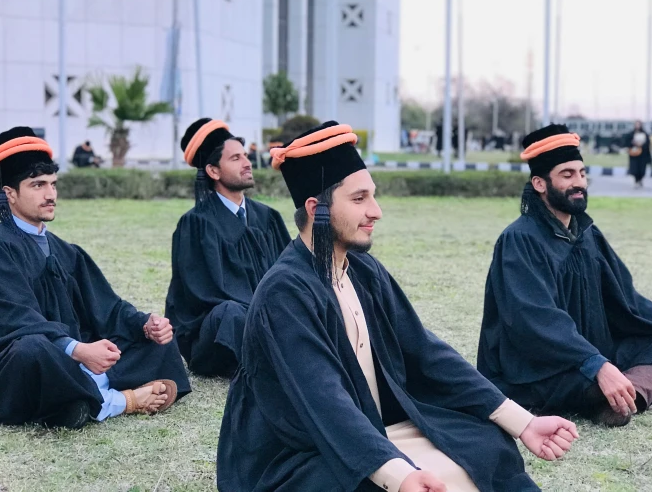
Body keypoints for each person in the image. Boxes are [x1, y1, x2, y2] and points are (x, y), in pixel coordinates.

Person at [217, 121, 578, 492]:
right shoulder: (285, 292)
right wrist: (399, 475)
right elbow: (325, 401)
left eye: (372, 196)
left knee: (486, 444)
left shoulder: (362, 268)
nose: (376, 211)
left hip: (372, 429)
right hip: (301, 452)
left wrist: (522, 422)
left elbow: (426, 352)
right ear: (316, 208)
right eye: (359, 199)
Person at [0, 127, 190, 429]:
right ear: (10, 194)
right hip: (11, 367)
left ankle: (80, 397)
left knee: (154, 343)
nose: (50, 194)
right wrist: (77, 350)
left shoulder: (66, 252)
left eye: (53, 184)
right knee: (33, 349)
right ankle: (120, 400)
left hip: (70, 357)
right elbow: (16, 324)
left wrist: (143, 323)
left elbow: (108, 307)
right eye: (37, 185)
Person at [479, 124, 652, 428]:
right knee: (587, 384)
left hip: (595, 352)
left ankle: (627, 392)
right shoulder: (519, 240)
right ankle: (629, 391)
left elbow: (627, 300)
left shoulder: (587, 233)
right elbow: (532, 318)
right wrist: (594, 364)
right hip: (540, 365)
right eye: (567, 175)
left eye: (582, 174)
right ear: (541, 184)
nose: (578, 182)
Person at [164, 118, 290, 377]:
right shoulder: (196, 224)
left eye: (245, 156)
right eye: (235, 158)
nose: (247, 163)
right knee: (230, 314)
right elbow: (203, 294)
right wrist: (261, 311)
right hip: (215, 332)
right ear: (213, 171)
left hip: (263, 316)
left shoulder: (268, 218)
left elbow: (287, 272)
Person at [626, 120, 652, 188]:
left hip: (642, 155)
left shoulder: (645, 134)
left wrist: (641, 144)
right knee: (634, 168)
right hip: (634, 154)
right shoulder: (631, 134)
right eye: (636, 124)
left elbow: (648, 143)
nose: (637, 126)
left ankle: (640, 180)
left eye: (639, 124)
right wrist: (633, 143)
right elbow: (627, 142)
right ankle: (636, 180)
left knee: (642, 169)